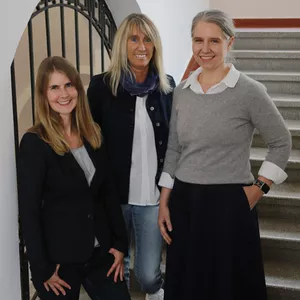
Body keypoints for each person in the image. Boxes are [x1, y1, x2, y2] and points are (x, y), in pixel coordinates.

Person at [158, 9, 291, 300]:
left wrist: (259, 189)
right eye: (198, 40)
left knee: (228, 289)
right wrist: (165, 199)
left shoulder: (249, 92)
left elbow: (282, 141)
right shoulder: (181, 91)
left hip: (230, 205)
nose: (205, 49)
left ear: (229, 43)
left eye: (214, 41)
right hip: (185, 203)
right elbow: (174, 147)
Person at [18, 56, 131, 300]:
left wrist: (120, 244)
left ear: (78, 89)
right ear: (43, 94)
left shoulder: (93, 133)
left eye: (69, 85)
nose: (64, 94)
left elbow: (108, 191)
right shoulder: (35, 143)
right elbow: (29, 211)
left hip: (102, 254)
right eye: (54, 87)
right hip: (59, 263)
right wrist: (41, 270)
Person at [87, 13, 175, 300]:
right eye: (134, 38)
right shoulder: (101, 87)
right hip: (115, 197)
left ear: (155, 45)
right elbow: (90, 141)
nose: (141, 45)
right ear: (123, 44)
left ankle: (155, 294)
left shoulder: (167, 86)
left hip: (152, 198)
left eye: (148, 39)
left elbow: (175, 142)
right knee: (117, 270)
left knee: (148, 276)